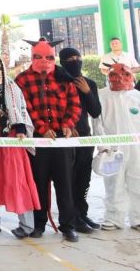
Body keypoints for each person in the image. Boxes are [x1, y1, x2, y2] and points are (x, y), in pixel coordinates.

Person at [16, 38, 81, 242]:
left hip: (62, 140)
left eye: (49, 57)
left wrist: (68, 124)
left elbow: (75, 105)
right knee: (39, 184)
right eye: (39, 57)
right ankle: (39, 224)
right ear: (33, 57)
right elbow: (24, 108)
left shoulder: (64, 76)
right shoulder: (22, 79)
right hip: (37, 141)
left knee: (65, 184)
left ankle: (68, 226)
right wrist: (42, 129)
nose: (44, 61)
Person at [0, 55, 40, 239]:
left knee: (18, 180)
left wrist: (21, 128)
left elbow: (20, 109)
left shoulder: (12, 87)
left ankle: (26, 225)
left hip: (12, 141)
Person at [58, 47, 101, 233]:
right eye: (70, 59)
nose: (75, 61)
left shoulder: (89, 83)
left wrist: (86, 92)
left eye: (78, 57)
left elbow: (95, 111)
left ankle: (82, 214)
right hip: (66, 138)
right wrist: (67, 125)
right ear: (62, 62)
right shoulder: (59, 83)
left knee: (84, 179)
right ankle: (71, 218)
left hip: (85, 138)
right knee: (69, 180)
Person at [93, 63, 140, 230]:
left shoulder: (136, 96)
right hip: (113, 147)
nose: (119, 78)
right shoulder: (102, 96)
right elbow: (98, 123)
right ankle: (114, 218)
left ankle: (138, 218)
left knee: (138, 182)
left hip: (136, 148)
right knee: (114, 182)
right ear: (109, 76)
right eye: (115, 75)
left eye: (125, 74)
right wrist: (103, 147)